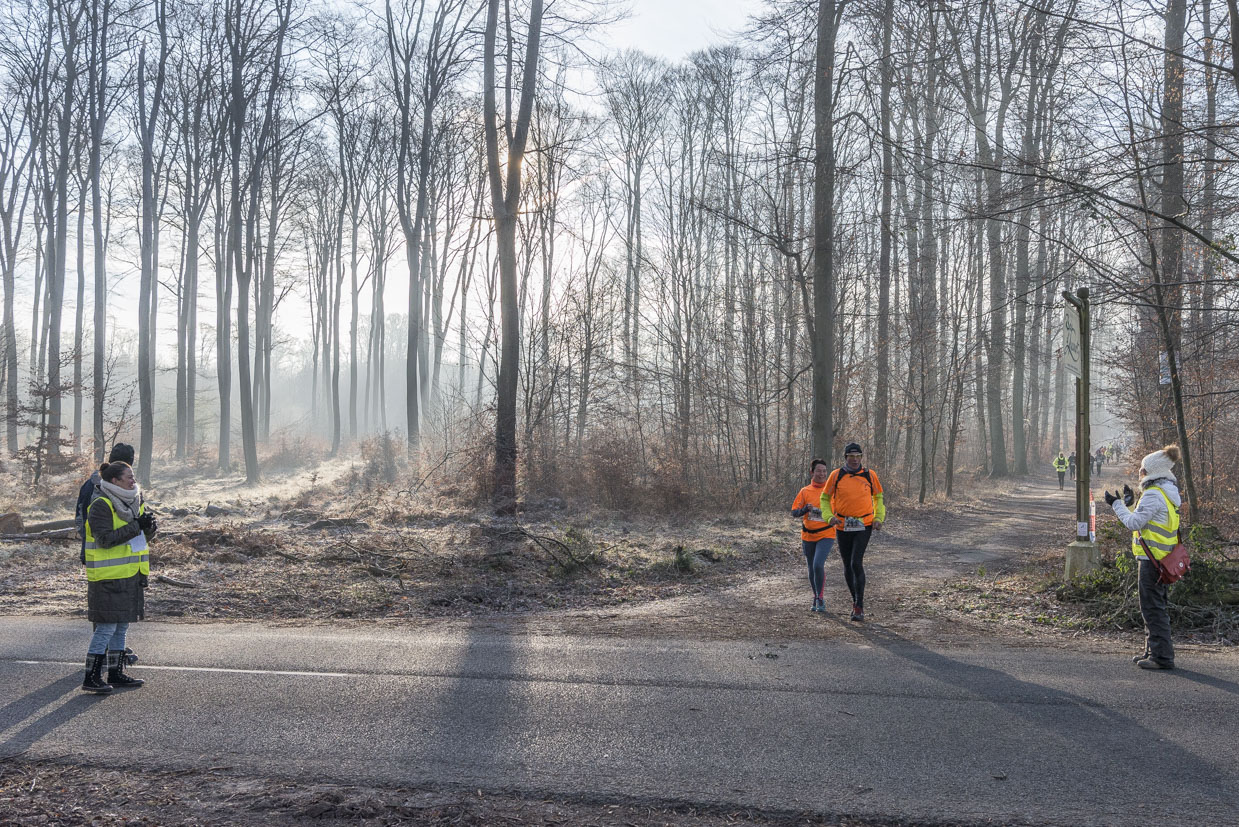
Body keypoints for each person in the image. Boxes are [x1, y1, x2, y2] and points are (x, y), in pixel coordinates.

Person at [1104, 444, 1181, 671]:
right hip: (1162, 560)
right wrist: (1132, 503)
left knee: (1152, 609)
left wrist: (1116, 505)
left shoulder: (1154, 495)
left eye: (1142, 468)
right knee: (1156, 606)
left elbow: (1134, 523)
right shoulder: (1166, 493)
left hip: (1152, 562)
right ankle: (1152, 651)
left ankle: (1161, 657)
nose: (1140, 471)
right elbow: (1148, 519)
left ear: (1151, 472)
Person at [82, 460, 157, 693]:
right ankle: (91, 677)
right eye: (129, 477)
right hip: (107, 577)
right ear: (115, 481)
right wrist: (137, 526)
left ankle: (116, 672)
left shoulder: (135, 502)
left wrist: (150, 527)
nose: (133, 480)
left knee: (121, 627)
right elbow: (105, 539)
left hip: (130, 575)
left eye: (133, 476)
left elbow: (141, 537)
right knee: (105, 628)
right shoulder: (101, 504)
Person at [820, 443, 885, 622]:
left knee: (856, 562)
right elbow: (824, 498)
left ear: (861, 457)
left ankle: (859, 605)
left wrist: (878, 517)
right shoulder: (836, 475)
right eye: (851, 456)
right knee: (847, 565)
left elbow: (878, 497)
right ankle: (854, 600)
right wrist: (828, 517)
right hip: (843, 525)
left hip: (864, 524)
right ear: (845, 457)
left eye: (858, 456)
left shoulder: (870, 475)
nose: (855, 459)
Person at [76, 443, 136, 565]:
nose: (132, 480)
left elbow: (79, 518)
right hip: (103, 558)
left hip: (124, 558)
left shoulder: (90, 484)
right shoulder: (97, 487)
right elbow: (83, 520)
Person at [791, 458, 835, 613]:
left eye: (824, 471)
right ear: (812, 472)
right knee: (811, 567)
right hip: (808, 535)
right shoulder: (805, 491)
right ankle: (815, 595)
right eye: (819, 471)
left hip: (827, 534)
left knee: (818, 564)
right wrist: (805, 510)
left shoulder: (832, 492)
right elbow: (794, 512)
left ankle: (820, 598)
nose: (822, 474)